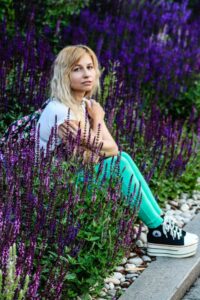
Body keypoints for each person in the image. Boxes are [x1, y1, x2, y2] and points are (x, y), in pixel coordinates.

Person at [36, 44, 199, 258]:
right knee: (117, 165)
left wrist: (97, 122)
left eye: (90, 67)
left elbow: (112, 148)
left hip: (74, 175)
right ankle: (158, 230)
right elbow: (90, 158)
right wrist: (96, 126)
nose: (87, 74)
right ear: (64, 74)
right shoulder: (60, 111)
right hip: (56, 185)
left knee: (123, 158)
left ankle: (159, 221)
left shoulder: (85, 105)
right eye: (77, 69)